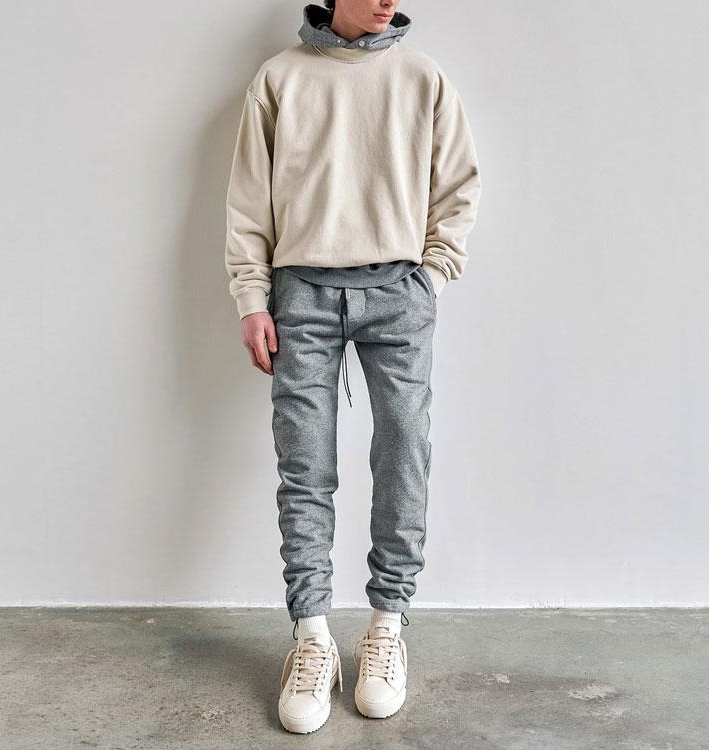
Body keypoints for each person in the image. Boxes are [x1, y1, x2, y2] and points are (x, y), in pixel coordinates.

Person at [224, 0, 482, 734]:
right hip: (300, 294)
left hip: (399, 292)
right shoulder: (279, 79)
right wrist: (252, 298)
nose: (390, 2)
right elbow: (247, 201)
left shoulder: (423, 77)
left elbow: (459, 185)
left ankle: (386, 626)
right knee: (305, 463)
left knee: (404, 452)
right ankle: (311, 637)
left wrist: (431, 276)